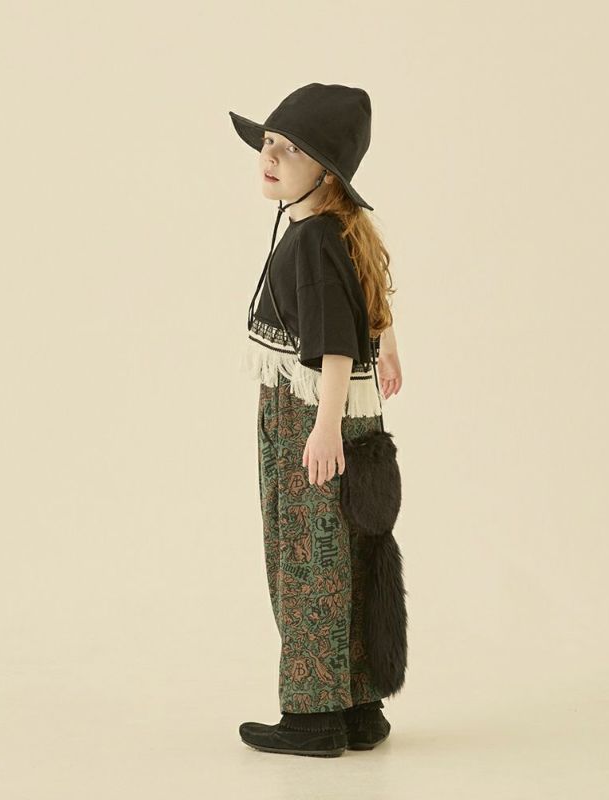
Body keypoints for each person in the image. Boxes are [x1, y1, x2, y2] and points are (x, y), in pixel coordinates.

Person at [230, 83, 403, 757]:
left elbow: (332, 345)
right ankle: (358, 707)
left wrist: (324, 426)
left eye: (290, 150)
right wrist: (388, 347)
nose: (269, 157)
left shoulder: (312, 242)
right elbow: (369, 303)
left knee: (307, 561)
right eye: (269, 142)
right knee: (349, 556)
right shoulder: (340, 231)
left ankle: (312, 716)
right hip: (345, 416)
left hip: (310, 417)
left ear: (326, 171)